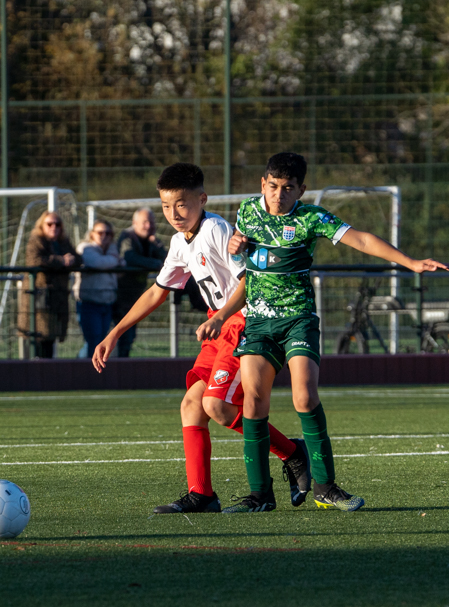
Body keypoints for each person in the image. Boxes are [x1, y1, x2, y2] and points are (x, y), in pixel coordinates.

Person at [199, 152, 449, 513]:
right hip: (258, 322)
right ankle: (260, 495)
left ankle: (325, 487)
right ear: (262, 184)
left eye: (288, 188)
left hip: (298, 320)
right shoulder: (248, 211)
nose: (279, 195)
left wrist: (410, 262)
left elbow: (361, 240)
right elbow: (245, 262)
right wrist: (233, 256)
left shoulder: (311, 218)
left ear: (301, 190)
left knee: (304, 397)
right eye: (273, 186)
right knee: (253, 401)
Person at [92, 163, 311, 514]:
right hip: (218, 326)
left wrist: (222, 317)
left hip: (243, 323)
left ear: (202, 199)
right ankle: (202, 495)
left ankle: (293, 453)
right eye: (166, 206)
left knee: (217, 406)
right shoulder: (179, 241)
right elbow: (157, 291)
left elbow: (250, 280)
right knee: (191, 405)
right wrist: (115, 332)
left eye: (182, 204)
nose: (174, 214)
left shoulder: (215, 230)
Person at [17, 211, 79, 358]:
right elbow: (34, 260)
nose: (54, 227)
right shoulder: (36, 240)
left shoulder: (63, 242)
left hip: (57, 299)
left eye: (57, 224)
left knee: (50, 339)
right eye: (49, 224)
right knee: (38, 338)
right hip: (39, 298)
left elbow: (77, 258)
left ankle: (47, 368)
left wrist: (71, 260)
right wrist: (60, 261)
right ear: (42, 226)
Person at [114, 208, 166, 357]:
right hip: (119, 297)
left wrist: (156, 243)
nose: (148, 226)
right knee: (120, 336)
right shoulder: (127, 237)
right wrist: (154, 264)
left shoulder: (150, 240)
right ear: (134, 223)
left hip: (135, 297)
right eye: (145, 222)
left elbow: (168, 259)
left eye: (151, 223)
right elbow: (129, 256)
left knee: (129, 337)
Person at [74, 219, 123, 357]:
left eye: (108, 233)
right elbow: (98, 262)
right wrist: (115, 260)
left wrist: (115, 259)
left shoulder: (111, 250)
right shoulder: (85, 248)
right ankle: (88, 367)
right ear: (92, 234)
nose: (104, 236)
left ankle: (95, 367)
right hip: (89, 303)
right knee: (93, 341)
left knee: (102, 340)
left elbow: (120, 264)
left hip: (107, 302)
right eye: (100, 232)